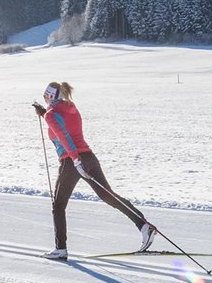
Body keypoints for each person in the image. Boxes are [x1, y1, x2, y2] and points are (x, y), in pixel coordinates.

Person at [32, 80, 156, 259]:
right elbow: (63, 124)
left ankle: (60, 249)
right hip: (89, 157)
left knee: (58, 205)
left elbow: (64, 136)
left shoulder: (52, 114)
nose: (44, 99)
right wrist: (44, 114)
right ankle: (144, 226)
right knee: (108, 196)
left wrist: (75, 161)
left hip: (71, 161)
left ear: (51, 96)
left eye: (46, 96)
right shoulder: (70, 106)